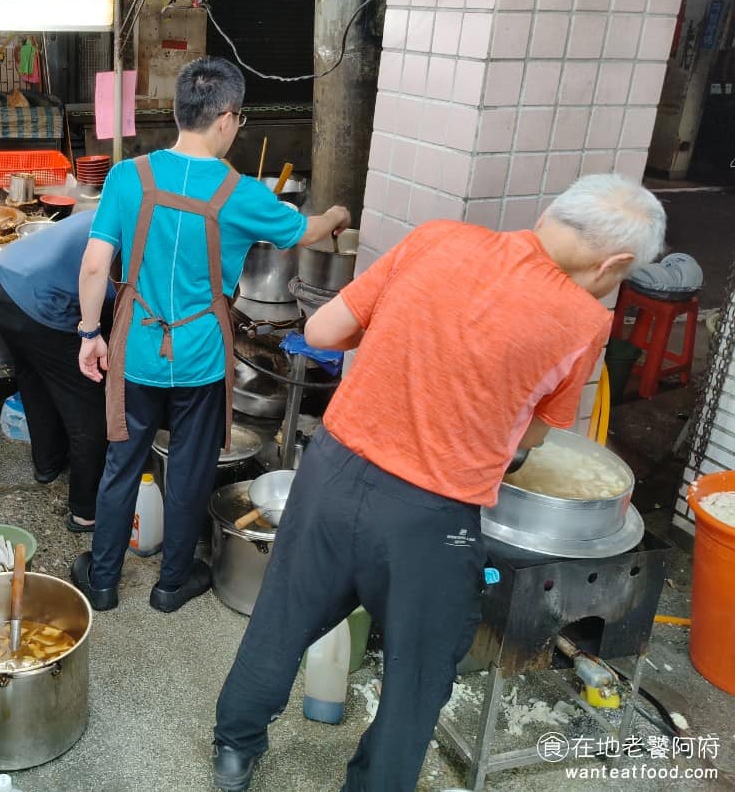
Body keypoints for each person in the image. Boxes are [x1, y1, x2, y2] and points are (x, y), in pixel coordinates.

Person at [211, 174, 667, 792]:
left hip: (332, 472)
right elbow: (533, 437)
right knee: (421, 671)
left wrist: (400, 343)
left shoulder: (435, 240)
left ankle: (235, 751)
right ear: (612, 262)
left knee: (282, 615)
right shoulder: (584, 320)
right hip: (434, 519)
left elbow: (320, 334)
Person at [70, 56, 352, 614]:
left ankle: (102, 582)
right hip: (201, 355)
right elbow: (306, 230)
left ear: (181, 112)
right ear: (227, 117)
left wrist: (88, 333)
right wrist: (338, 212)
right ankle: (172, 583)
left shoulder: (129, 177)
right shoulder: (243, 194)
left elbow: (94, 266)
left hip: (137, 349)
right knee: (191, 468)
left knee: (121, 463)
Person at [0, 212, 116, 531]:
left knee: (37, 379)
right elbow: (110, 287)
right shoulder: (152, 227)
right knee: (90, 405)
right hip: (36, 301)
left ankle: (48, 464)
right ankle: (86, 511)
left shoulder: (121, 201)